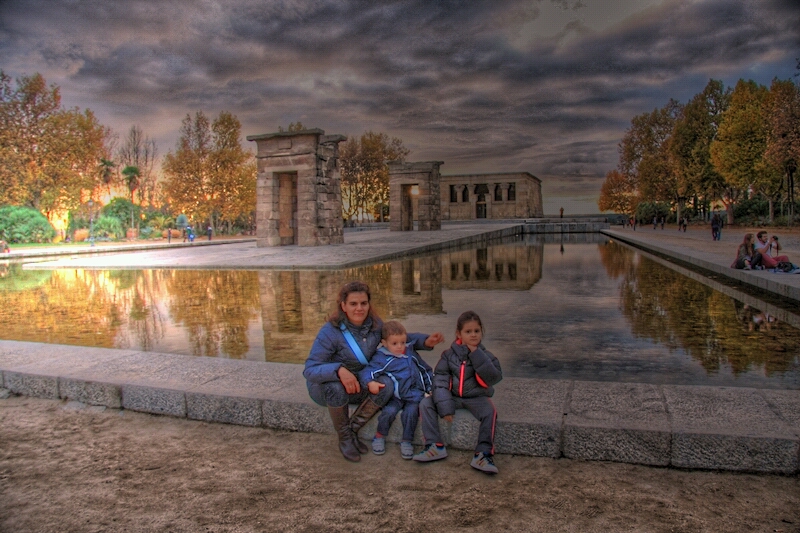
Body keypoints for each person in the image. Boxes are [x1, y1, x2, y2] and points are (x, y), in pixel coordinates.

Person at [304, 281, 444, 462]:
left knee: (385, 384)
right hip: (326, 387)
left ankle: (353, 429)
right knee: (336, 388)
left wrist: (425, 342)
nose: (359, 308)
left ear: (369, 304)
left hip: (358, 382)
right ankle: (345, 438)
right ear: (343, 306)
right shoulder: (330, 331)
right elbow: (310, 369)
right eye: (353, 304)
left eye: (363, 303)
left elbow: (397, 339)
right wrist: (338, 370)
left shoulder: (375, 325)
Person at [413, 311, 503, 474]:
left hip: (475, 397)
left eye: (477, 331)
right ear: (458, 334)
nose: (473, 335)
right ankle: (434, 446)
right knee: (426, 403)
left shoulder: (485, 355)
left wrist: (476, 355)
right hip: (452, 397)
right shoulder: (448, 355)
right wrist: (445, 407)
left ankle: (483, 454)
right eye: (468, 332)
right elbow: (439, 379)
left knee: (490, 412)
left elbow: (494, 377)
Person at [359, 320, 433, 459]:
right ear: (384, 343)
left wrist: (430, 388)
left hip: (413, 394)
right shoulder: (382, 358)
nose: (400, 347)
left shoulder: (410, 353)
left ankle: (407, 441)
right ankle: (380, 436)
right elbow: (367, 372)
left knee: (411, 414)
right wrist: (370, 383)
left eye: (403, 342)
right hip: (396, 396)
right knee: (388, 412)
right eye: (394, 343)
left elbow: (425, 370)